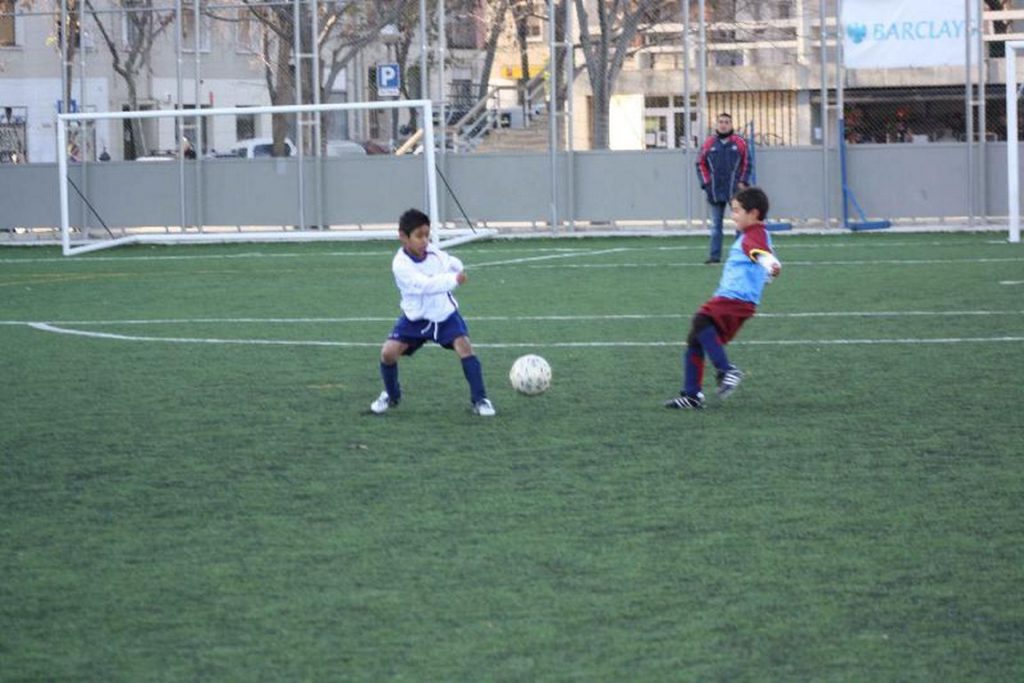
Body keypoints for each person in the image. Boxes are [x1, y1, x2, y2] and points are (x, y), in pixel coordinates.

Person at [370, 208, 496, 417]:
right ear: (403, 236)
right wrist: (453, 280)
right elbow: (424, 286)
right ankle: (391, 396)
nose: (424, 241)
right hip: (415, 319)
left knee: (464, 347)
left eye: (427, 235)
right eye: (419, 236)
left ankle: (480, 400)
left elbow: (450, 262)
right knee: (388, 353)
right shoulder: (400, 265)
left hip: (444, 314)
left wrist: (456, 267)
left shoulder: (433, 253)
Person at [664, 186, 781, 410]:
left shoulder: (754, 236)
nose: (732, 215)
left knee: (700, 320)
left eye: (737, 210)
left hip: (735, 299)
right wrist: (768, 271)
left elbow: (757, 252)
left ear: (753, 213)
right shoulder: (756, 235)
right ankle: (692, 395)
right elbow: (761, 259)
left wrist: (769, 264)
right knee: (695, 338)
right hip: (735, 298)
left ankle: (726, 370)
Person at [696, 112, 751, 264]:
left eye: (727, 121)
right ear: (716, 124)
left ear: (731, 124)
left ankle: (739, 255)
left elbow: (747, 163)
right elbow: (700, 164)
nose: (723, 124)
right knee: (716, 225)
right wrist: (706, 183)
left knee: (740, 224)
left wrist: (742, 182)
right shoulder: (709, 143)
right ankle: (715, 257)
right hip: (715, 191)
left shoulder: (740, 142)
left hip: (736, 192)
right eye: (721, 121)